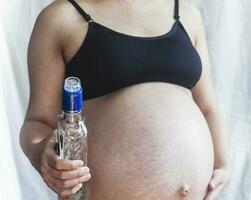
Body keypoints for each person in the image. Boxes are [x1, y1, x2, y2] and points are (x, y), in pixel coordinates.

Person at [19, 0, 230, 199]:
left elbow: (208, 108)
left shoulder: (187, 15)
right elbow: (37, 122)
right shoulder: (60, 18)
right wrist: (41, 154)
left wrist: (222, 164)